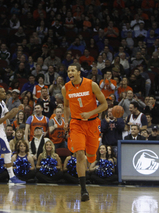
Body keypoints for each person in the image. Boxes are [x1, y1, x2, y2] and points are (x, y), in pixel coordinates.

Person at [62, 63, 108, 201]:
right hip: (76, 123)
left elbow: (104, 105)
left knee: (91, 155)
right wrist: (66, 120)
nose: (70, 72)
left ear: (78, 72)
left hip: (92, 122)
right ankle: (83, 190)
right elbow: (65, 106)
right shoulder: (66, 88)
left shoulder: (92, 84)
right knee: (80, 154)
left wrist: (90, 113)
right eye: (68, 70)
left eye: (73, 70)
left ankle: (91, 159)